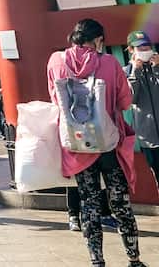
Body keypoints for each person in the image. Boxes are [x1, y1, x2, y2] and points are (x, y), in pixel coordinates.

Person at [48, 18, 145, 267]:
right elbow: (125, 102)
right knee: (119, 201)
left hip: (77, 144)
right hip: (107, 143)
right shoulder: (110, 63)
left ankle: (97, 261)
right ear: (98, 39)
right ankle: (133, 259)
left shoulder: (56, 61)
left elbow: (55, 99)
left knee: (89, 201)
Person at [127, 31, 159, 187]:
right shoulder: (126, 72)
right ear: (131, 50)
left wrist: (158, 69)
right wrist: (136, 71)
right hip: (148, 138)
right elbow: (131, 99)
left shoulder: (157, 67)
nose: (145, 50)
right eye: (140, 47)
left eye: (147, 46)